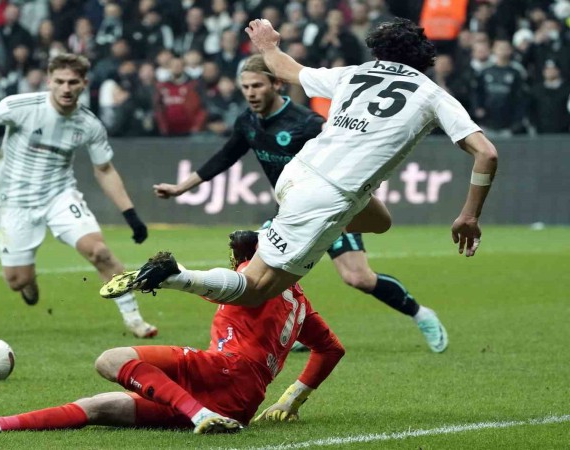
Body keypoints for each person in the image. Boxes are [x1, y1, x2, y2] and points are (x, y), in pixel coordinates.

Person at [100, 19, 498, 341]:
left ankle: (272, 235)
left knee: (380, 221)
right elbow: (487, 153)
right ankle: (176, 275)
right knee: (256, 289)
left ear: (378, 51)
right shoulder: (433, 95)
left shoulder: (354, 74)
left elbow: (287, 70)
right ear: (424, 58)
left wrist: (268, 45)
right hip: (327, 196)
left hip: (296, 174)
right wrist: (469, 215)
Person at [153, 54, 449, 353]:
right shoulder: (248, 121)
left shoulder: (307, 122)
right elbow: (225, 157)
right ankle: (283, 332)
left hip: (333, 207)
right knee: (258, 271)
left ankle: (421, 314)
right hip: (291, 211)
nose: (251, 93)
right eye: (246, 87)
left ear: (276, 84)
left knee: (358, 277)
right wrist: (180, 188)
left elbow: (351, 154)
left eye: (257, 85)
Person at [0, 230, 345, 434]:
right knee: (99, 407)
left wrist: (176, 276)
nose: (237, 258)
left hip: (225, 371)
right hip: (240, 404)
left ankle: (199, 415)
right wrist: (291, 399)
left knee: (110, 360)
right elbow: (331, 349)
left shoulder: (250, 278)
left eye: (242, 254)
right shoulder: (301, 304)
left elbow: (226, 284)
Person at [0, 53, 157, 338]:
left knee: (100, 252)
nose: (66, 88)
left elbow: (105, 170)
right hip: (15, 201)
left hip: (59, 196)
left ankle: (134, 319)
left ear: (84, 83)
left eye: (73, 82)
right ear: (49, 81)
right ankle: (28, 281)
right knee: (17, 280)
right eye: (60, 81)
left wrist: (130, 214)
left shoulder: (89, 124)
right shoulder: (21, 106)